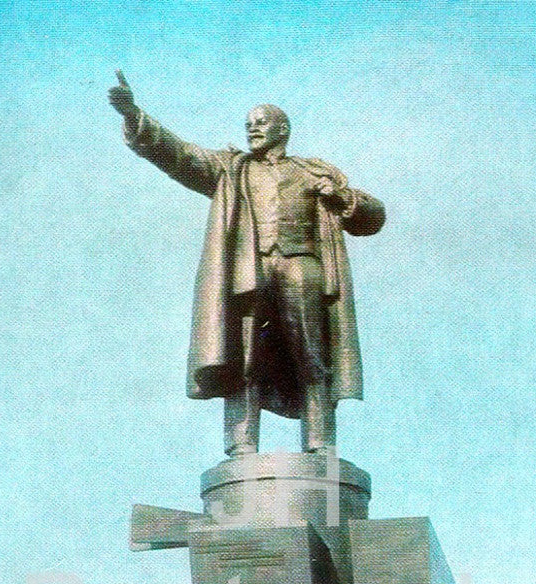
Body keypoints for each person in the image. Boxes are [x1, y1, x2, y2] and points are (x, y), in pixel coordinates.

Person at [108, 73, 386, 456]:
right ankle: (241, 443)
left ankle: (320, 442)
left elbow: (373, 218)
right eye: (248, 125)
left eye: (261, 123)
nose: (252, 129)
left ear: (283, 129)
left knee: (312, 355)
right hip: (248, 273)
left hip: (303, 267)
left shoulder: (314, 172)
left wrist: (342, 197)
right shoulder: (231, 169)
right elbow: (178, 154)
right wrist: (134, 116)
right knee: (244, 356)